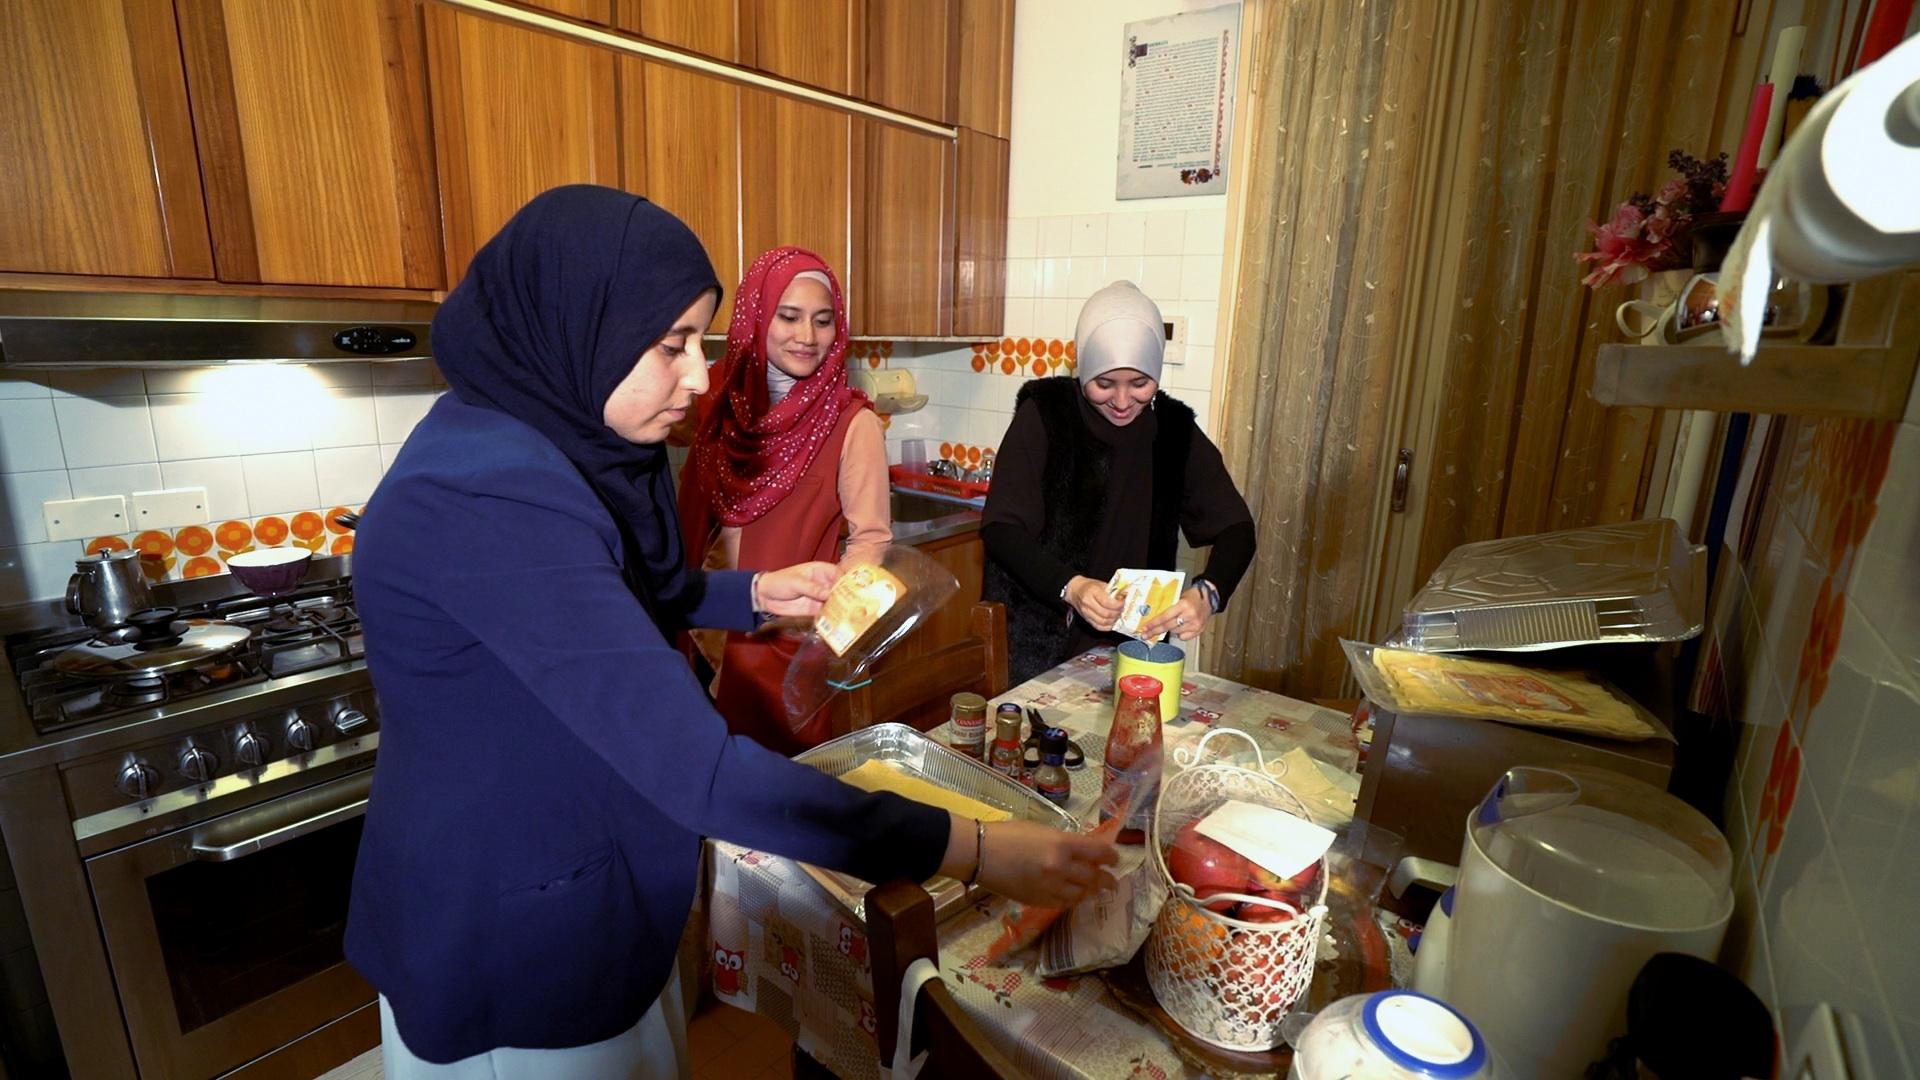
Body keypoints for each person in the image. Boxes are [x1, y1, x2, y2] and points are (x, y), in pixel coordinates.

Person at [345, 186, 1116, 1078]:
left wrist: (754, 593)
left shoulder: (559, 435)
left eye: (700, 343)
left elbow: (646, 588)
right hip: (513, 931)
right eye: (670, 346)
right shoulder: (487, 497)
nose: (700, 376)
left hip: (590, 892)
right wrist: (974, 848)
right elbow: (698, 770)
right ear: (579, 324)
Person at [983, 281, 1257, 686]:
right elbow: (1001, 529)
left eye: (1140, 384)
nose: (1123, 401)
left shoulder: (1173, 430)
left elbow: (1237, 529)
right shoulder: (1045, 416)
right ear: (1082, 373)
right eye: (1105, 384)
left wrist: (1208, 594)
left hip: (1132, 646)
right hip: (1038, 644)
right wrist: (1071, 587)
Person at [677, 246, 888, 753]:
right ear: (756, 314)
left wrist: (831, 638)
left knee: (774, 797)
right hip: (695, 630)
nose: (807, 337)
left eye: (823, 321)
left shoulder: (851, 423)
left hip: (781, 649)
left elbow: (872, 539)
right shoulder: (711, 397)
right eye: (789, 317)